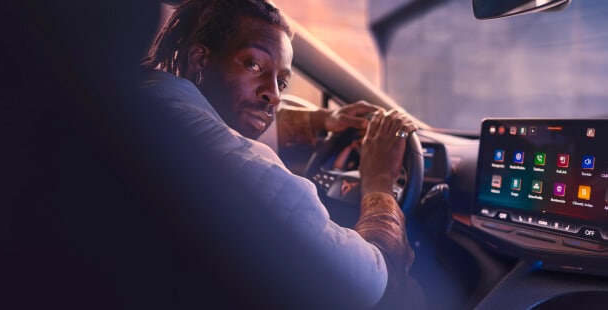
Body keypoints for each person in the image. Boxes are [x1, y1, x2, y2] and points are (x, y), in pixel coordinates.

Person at [141, 0, 421, 308]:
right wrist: (379, 183)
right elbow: (374, 282)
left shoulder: (145, 99)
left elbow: (221, 120)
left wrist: (321, 121)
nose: (273, 95)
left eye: (282, 82)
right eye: (254, 65)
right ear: (200, 59)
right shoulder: (255, 177)